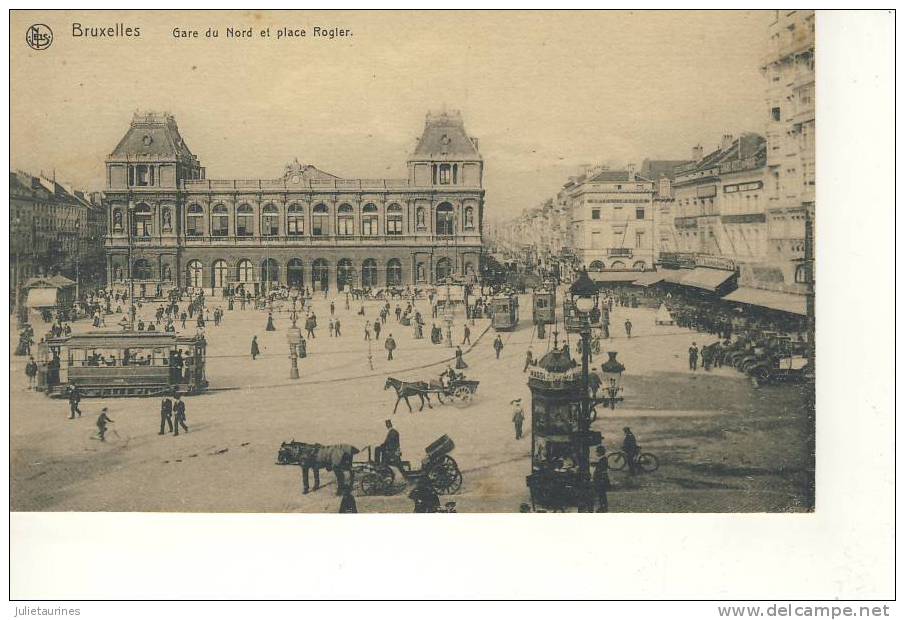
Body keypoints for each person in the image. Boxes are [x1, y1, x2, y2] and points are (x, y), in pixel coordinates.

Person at [593, 445, 610, 512]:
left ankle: (603, 507)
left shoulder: (603, 460)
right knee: (602, 494)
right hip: (602, 479)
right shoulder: (603, 459)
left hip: (601, 480)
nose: (596, 453)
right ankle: (603, 506)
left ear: (600, 452)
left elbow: (600, 470)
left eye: (597, 452)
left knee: (601, 494)